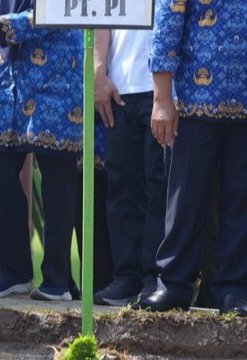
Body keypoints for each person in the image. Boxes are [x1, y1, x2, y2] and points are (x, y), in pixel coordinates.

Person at [138, 0, 247, 316]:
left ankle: (235, 290)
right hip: (194, 102)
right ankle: (173, 284)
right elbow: (168, 22)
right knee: (185, 199)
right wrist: (161, 98)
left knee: (240, 201)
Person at [0, 1, 84, 301]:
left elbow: (62, 11)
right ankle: (15, 270)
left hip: (56, 79)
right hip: (9, 85)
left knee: (57, 180)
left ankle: (57, 279)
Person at [92, 29, 166, 306]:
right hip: (119, 84)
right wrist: (98, 71)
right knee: (121, 185)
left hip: (164, 86)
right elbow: (102, 18)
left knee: (159, 185)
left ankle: (155, 278)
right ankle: (126, 277)